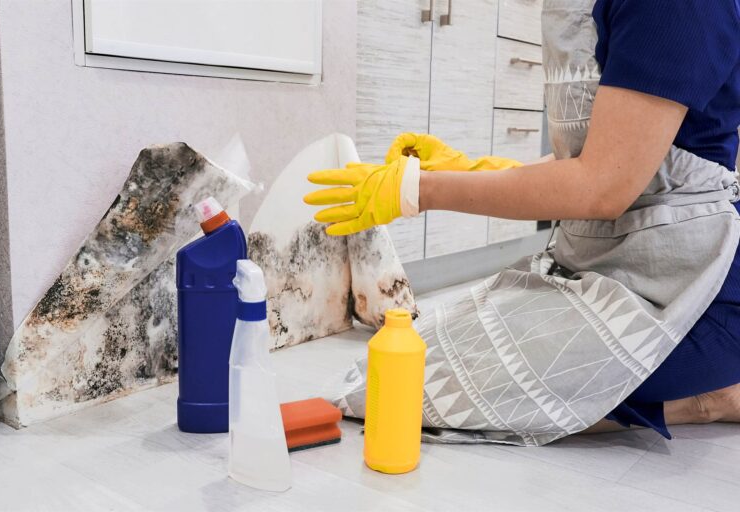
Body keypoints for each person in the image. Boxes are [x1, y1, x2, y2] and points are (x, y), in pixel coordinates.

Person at [305, 0, 740, 444]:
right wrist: (471, 169)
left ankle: (707, 400)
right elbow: (602, 156)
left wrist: (419, 190)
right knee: (391, 369)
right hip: (601, 264)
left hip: (687, 290)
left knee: (403, 392)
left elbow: (603, 187)